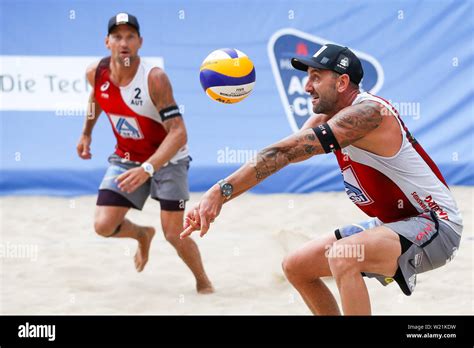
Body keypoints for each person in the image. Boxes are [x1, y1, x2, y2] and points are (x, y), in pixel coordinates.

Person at [180, 44, 463, 312]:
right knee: (296, 266)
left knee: (343, 255)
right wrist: (219, 196)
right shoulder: (329, 119)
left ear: (341, 83)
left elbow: (284, 151)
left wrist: (218, 193)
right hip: (393, 223)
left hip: (436, 225)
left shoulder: (369, 113)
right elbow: (280, 156)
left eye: (315, 77)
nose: (306, 86)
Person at [77, 12, 213, 294]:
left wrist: (148, 168)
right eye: (117, 36)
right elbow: (96, 99)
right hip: (127, 157)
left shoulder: (155, 78)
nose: (123, 42)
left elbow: (179, 133)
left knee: (174, 234)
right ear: (107, 42)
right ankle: (141, 234)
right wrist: (87, 132)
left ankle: (204, 282)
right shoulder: (96, 73)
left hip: (169, 160)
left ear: (140, 42)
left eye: (130, 36)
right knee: (103, 226)